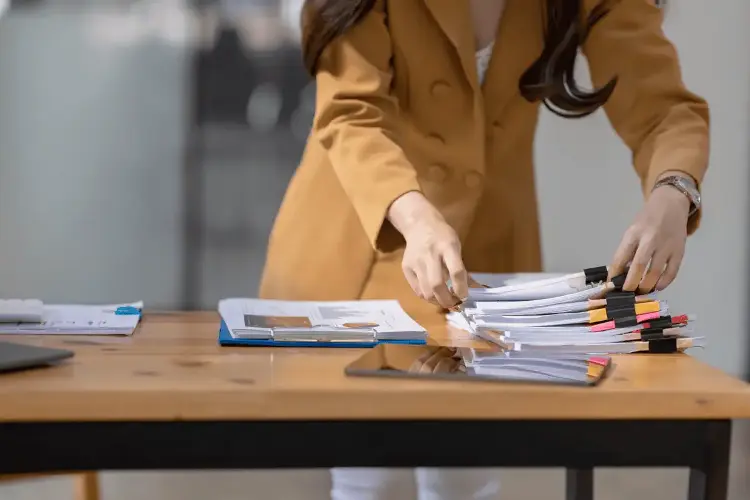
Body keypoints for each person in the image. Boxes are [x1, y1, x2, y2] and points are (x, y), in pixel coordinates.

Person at [259, 0, 708, 498]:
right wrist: (414, 215)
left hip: (487, 269)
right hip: (366, 236)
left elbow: (663, 108)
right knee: (370, 474)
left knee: (467, 476)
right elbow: (349, 112)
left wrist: (674, 189)